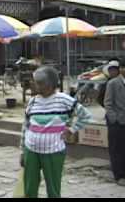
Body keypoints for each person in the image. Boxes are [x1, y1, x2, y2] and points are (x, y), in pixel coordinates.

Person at [20, 65, 92, 198]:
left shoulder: (65, 100)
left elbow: (86, 116)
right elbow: (25, 126)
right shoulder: (33, 101)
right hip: (31, 150)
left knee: (53, 189)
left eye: (38, 83)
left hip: (53, 151)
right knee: (29, 187)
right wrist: (23, 151)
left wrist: (72, 130)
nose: (34, 85)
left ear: (48, 84)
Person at [104, 57, 125, 186]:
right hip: (117, 122)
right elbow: (108, 103)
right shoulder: (113, 83)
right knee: (116, 149)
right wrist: (114, 118)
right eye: (122, 67)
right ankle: (118, 176)